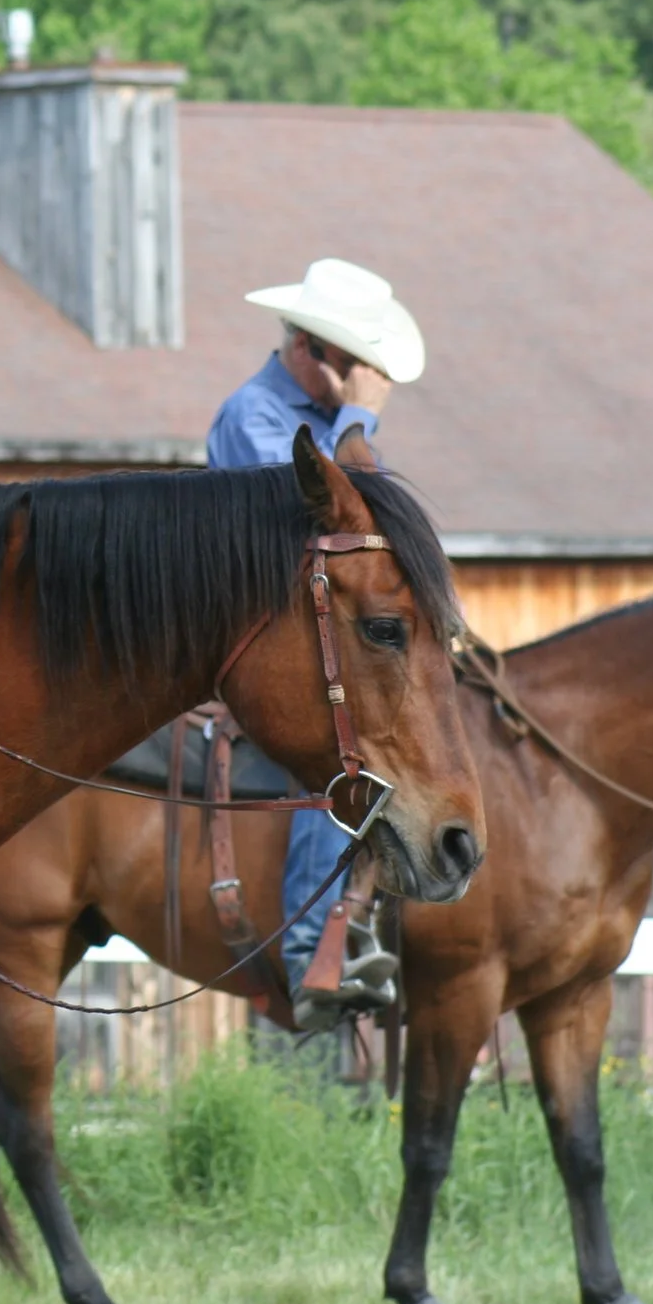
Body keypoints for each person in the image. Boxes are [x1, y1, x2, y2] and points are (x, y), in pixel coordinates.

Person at [206, 258, 426, 1031]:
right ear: (313, 350)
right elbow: (325, 519)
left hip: (323, 632)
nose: (367, 379)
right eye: (357, 364)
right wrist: (359, 420)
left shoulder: (324, 421)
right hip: (266, 638)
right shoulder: (255, 417)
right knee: (339, 750)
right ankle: (309, 948)